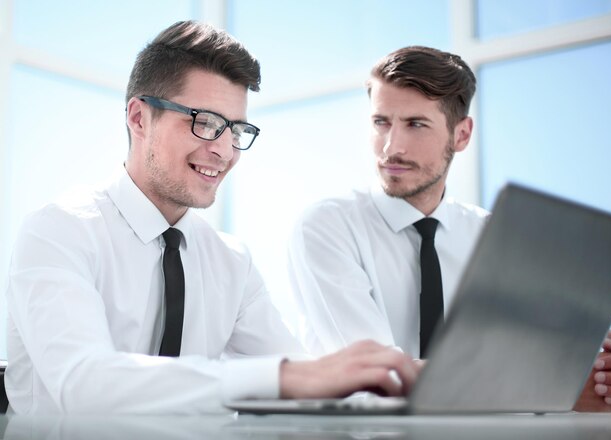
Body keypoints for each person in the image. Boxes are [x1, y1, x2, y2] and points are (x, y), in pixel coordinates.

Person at [3, 21, 419, 414]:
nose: (224, 151)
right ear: (138, 118)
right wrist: (286, 377)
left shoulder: (230, 262)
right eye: (205, 123)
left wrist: (399, 386)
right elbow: (83, 384)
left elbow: (305, 385)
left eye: (236, 129)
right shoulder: (59, 231)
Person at [287, 45, 611, 411]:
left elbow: (526, 361)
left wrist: (590, 373)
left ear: (461, 135)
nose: (391, 147)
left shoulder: (496, 237)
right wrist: (551, 386)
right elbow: (375, 378)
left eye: (415, 124)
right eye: (381, 122)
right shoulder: (327, 227)